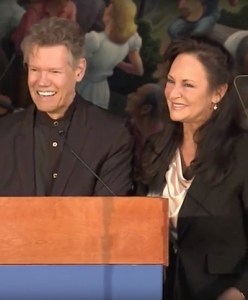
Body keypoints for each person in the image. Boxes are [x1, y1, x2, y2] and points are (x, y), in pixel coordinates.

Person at [136, 36, 248, 299]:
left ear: (218, 93)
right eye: (172, 81)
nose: (174, 93)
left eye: (188, 85)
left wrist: (239, 292)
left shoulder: (243, 153)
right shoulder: (156, 147)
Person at [0, 17, 133, 197]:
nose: (42, 82)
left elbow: (110, 218)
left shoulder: (113, 136)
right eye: (35, 70)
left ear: (79, 70)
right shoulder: (4, 133)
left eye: (54, 71)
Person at [76, 0, 143, 110]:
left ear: (112, 15)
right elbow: (138, 70)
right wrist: (116, 62)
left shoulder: (95, 40)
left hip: (83, 86)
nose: (105, 9)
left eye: (109, 7)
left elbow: (75, 63)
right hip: (102, 89)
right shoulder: (130, 40)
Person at [125, 83, 165, 177]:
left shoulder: (161, 144)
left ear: (145, 109)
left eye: (136, 94)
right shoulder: (128, 127)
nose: (129, 96)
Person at [168, 0, 238, 41]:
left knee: (198, 33)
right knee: (173, 29)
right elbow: (182, 3)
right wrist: (182, 6)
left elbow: (233, 3)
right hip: (192, 13)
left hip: (209, 15)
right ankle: (180, 51)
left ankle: (192, 55)